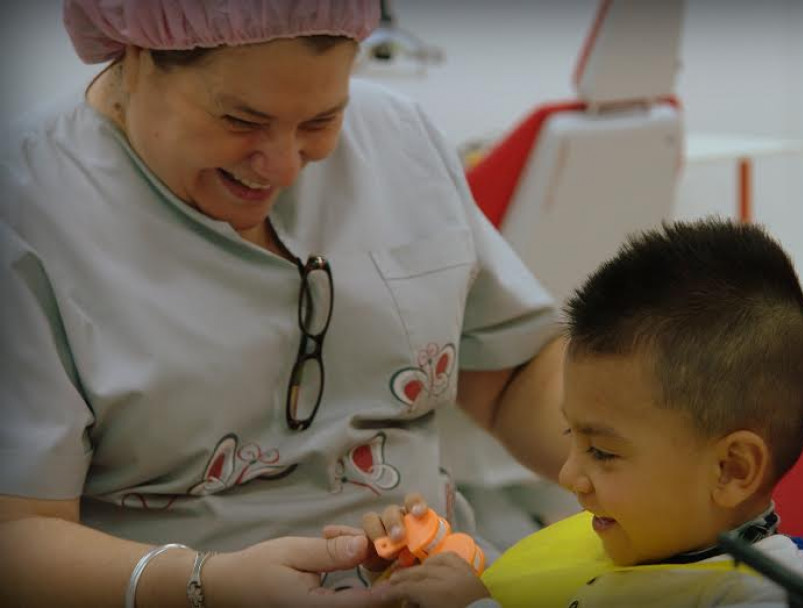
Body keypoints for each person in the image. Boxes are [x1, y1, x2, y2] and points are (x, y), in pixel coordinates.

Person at [0, 1, 570, 606]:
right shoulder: (31, 214)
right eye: (241, 120)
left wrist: (648, 472)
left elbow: (512, 372)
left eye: (322, 121)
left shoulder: (398, 139)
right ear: (135, 57)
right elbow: (18, 533)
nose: (284, 165)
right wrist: (202, 584)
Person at [366, 218, 803, 608]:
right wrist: (424, 575)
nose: (569, 474)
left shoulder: (760, 594)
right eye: (570, 434)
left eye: (603, 452)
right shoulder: (618, 542)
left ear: (731, 469)